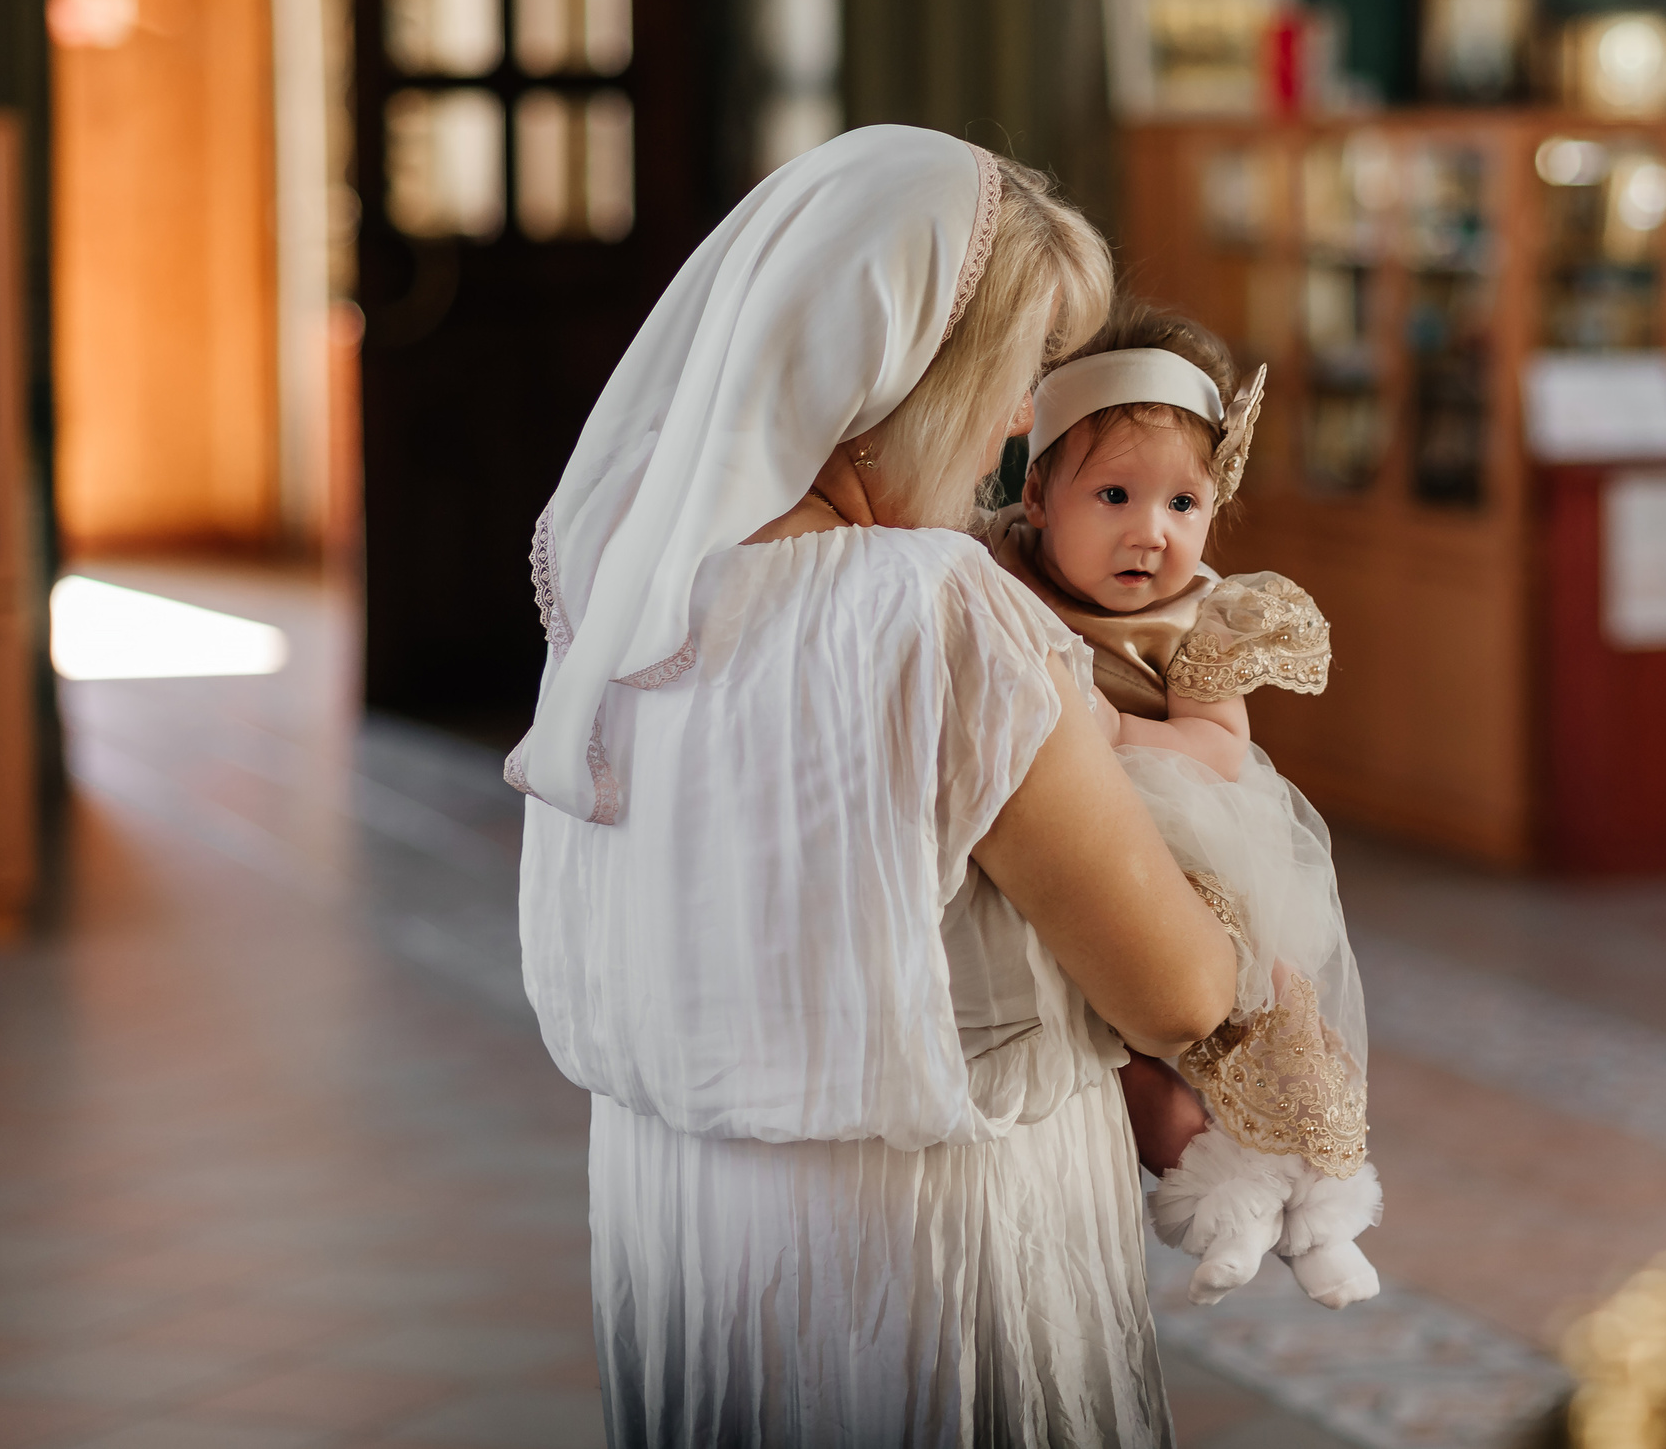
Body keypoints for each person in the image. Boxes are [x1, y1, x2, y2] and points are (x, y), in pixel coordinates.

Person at [509, 126, 1237, 1446]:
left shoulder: (621, 581)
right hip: (925, 1249)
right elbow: (1178, 988)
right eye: (1019, 375)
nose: (1025, 426)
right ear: (911, 372)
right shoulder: (927, 609)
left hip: (686, 1227)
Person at [981, 307, 1381, 1312]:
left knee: (1271, 1023)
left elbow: (1218, 743)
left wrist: (1116, 738)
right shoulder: (991, 577)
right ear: (1036, 493)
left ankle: (1322, 1209)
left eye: (1182, 501)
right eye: (1113, 493)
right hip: (1069, 851)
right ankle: (1223, 1206)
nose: (1149, 530)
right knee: (1117, 1054)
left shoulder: (1202, 614)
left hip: (1196, 833)